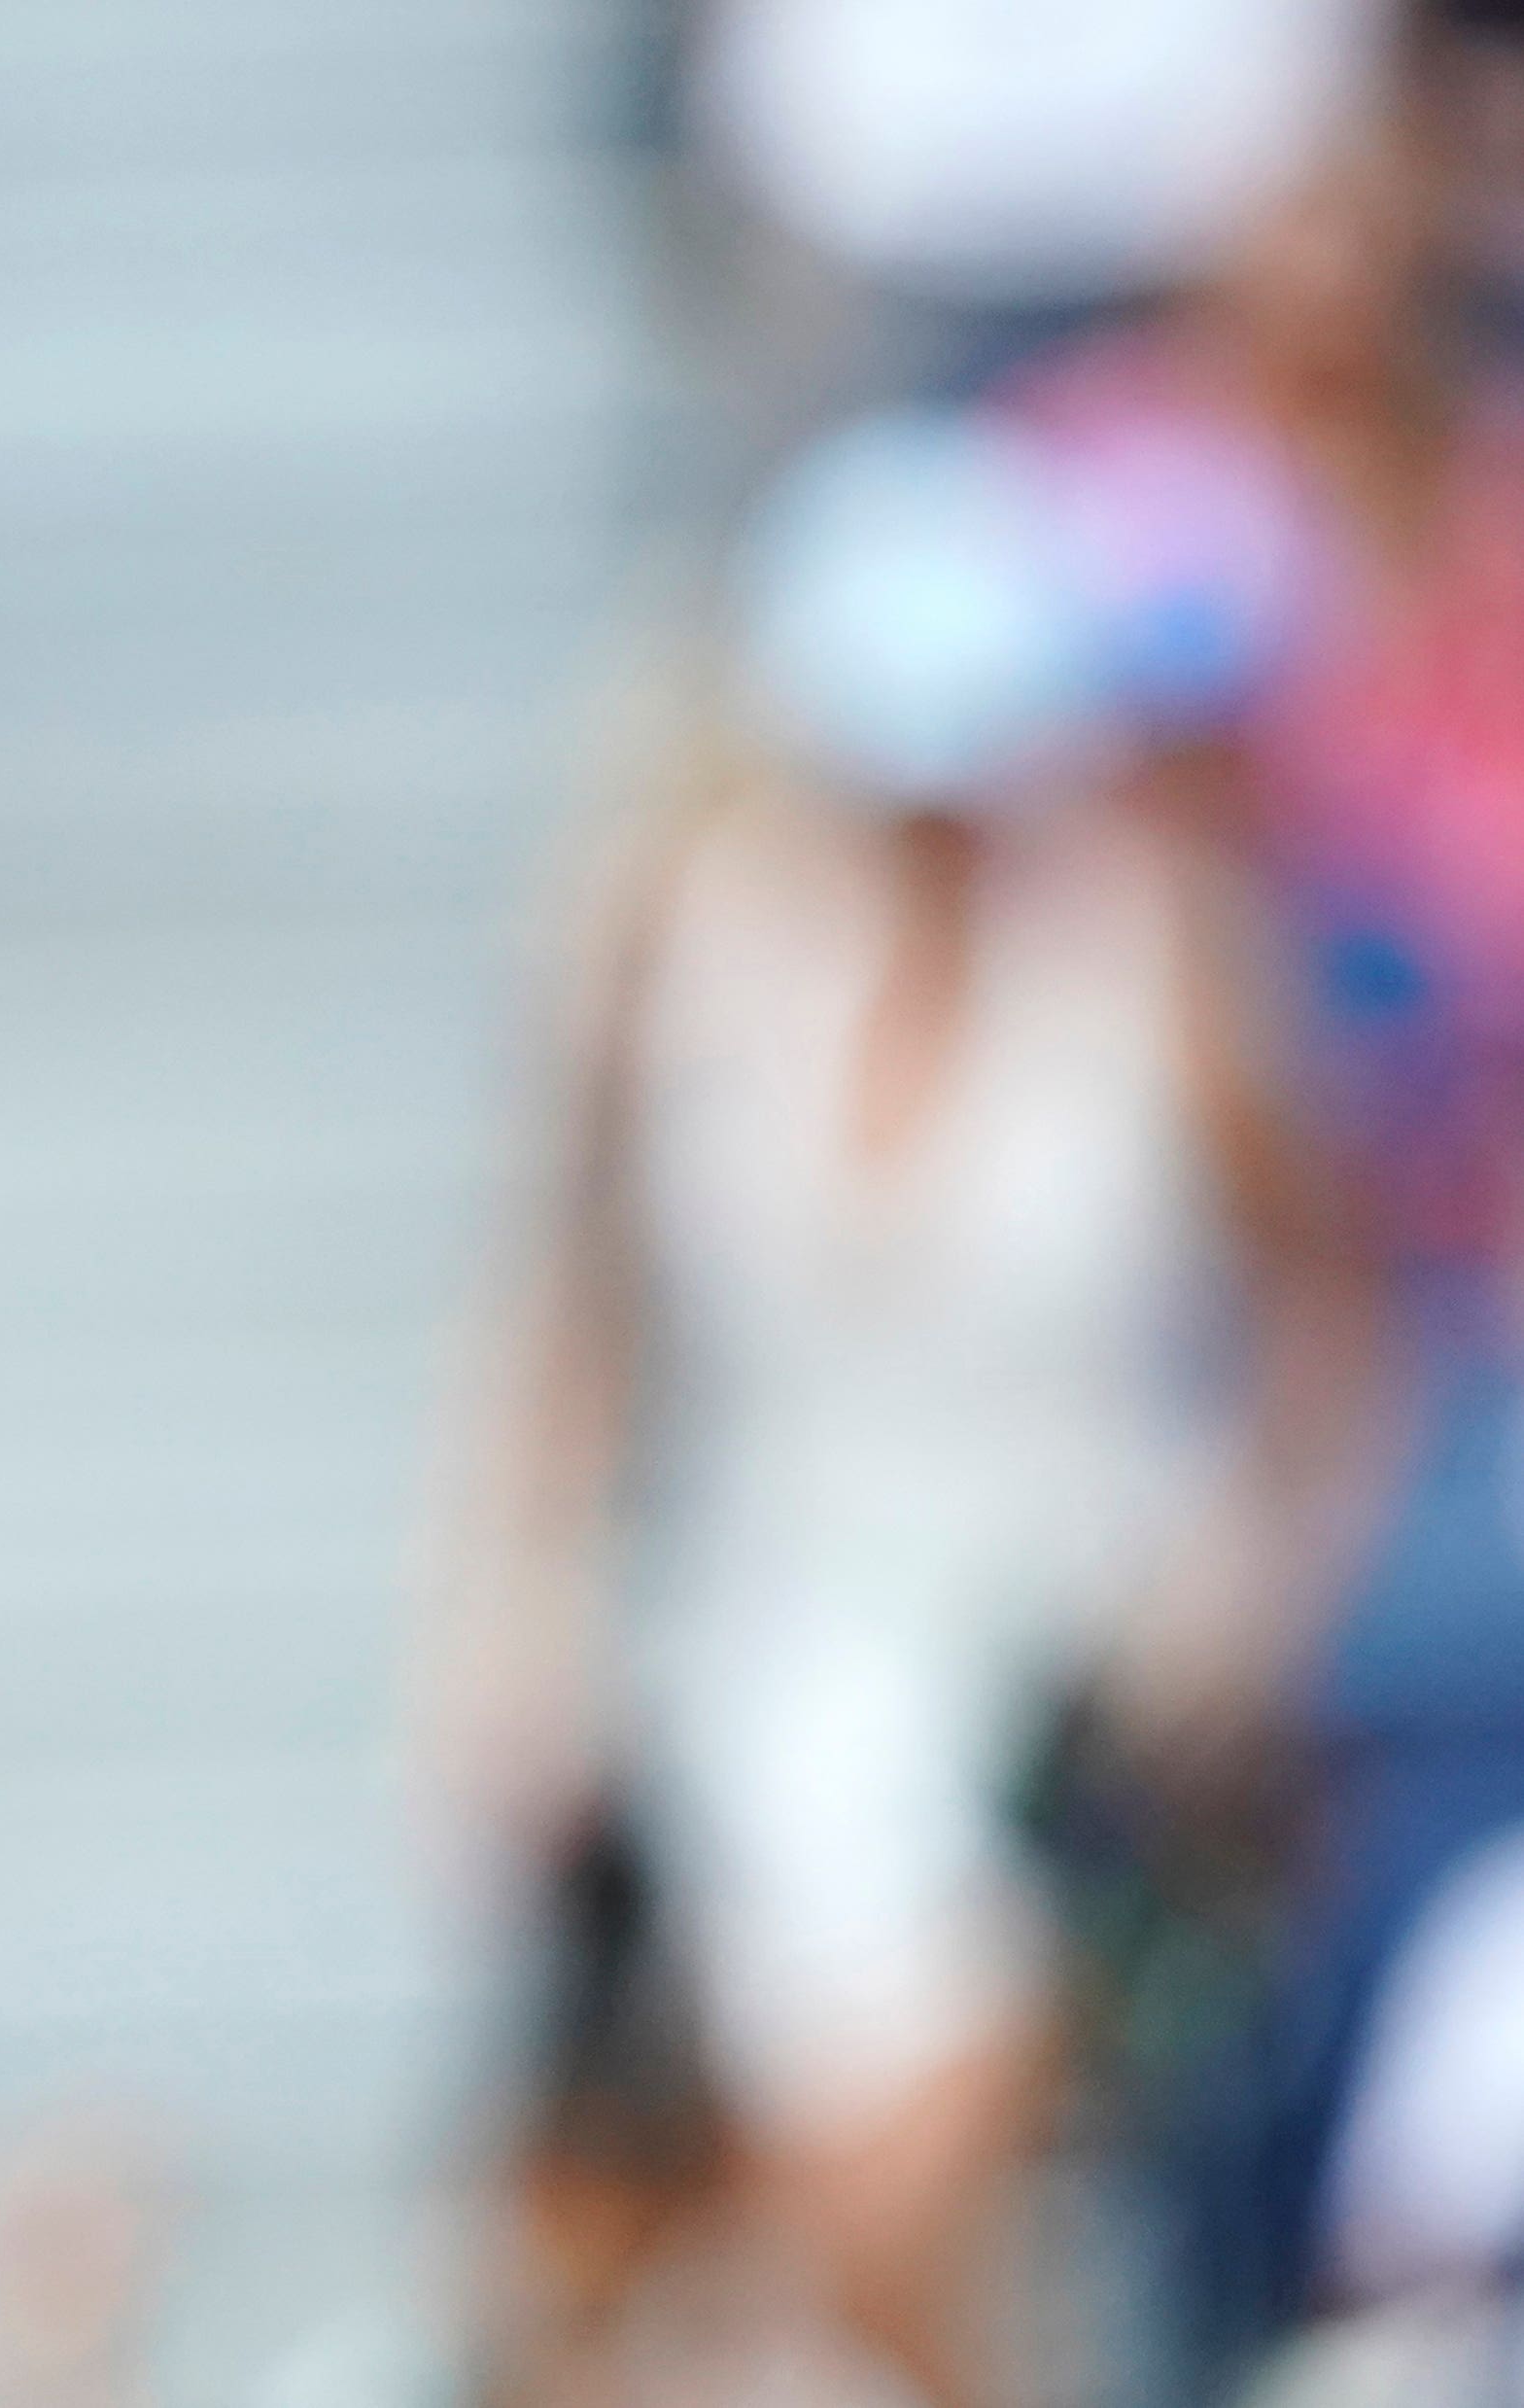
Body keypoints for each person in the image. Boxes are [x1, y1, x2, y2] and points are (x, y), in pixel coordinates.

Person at [441, 407, 1376, 2408]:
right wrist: (512, 1623)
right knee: (775, 2267)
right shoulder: (679, 941)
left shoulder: (1160, 958)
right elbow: (573, 1321)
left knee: (875, 2201)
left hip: (1077, 1690)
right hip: (761, 1656)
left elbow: (1326, 1326)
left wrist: (1251, 1589)